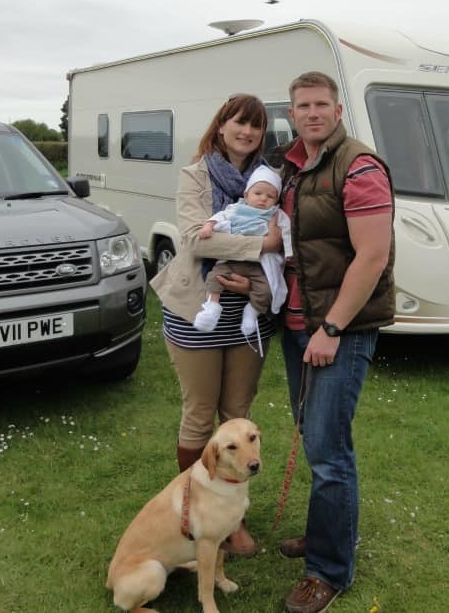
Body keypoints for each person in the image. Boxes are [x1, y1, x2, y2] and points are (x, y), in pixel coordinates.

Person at [276, 71, 395, 613]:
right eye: (303, 105)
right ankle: (328, 533)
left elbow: (371, 256)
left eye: (322, 104)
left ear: (339, 109)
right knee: (313, 432)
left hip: (335, 329)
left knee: (328, 450)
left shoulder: (359, 165)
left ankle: (327, 570)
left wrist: (332, 329)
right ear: (293, 112)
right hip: (298, 321)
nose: (313, 113)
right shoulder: (294, 165)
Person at [149, 93, 281, 557]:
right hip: (196, 312)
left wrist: (269, 245)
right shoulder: (195, 175)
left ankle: (232, 518)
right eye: (239, 123)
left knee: (238, 416)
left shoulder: (270, 181)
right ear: (221, 125)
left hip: (248, 315)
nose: (247, 132)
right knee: (200, 415)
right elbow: (194, 241)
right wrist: (261, 245)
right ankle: (192, 511)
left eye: (256, 126)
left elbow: (285, 234)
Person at [193, 165, 293, 343]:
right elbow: (219, 217)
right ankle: (212, 306)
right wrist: (208, 226)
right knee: (214, 277)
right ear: (246, 195)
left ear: (277, 200)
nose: (263, 199)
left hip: (259, 265)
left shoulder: (276, 215)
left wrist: (289, 252)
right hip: (232, 260)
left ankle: (252, 312)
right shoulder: (235, 209)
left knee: (266, 291)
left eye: (270, 196)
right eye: (258, 193)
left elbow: (286, 233)